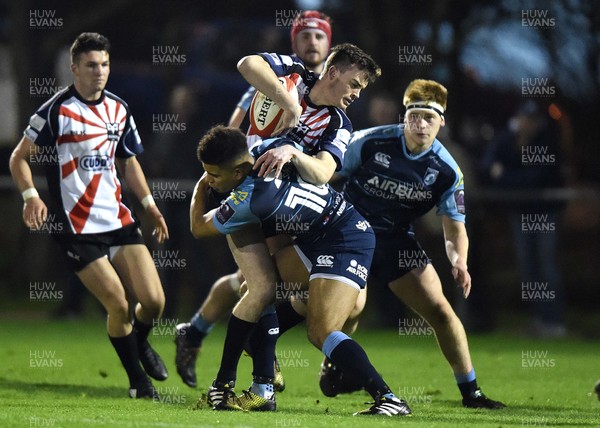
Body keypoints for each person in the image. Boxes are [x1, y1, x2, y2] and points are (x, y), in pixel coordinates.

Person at [273, 79, 506, 409]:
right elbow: (324, 172)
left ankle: (472, 393)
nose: (420, 124)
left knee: (440, 310)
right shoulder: (371, 142)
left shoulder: (447, 171)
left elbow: (455, 228)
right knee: (329, 304)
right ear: (404, 116)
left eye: (429, 117)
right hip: (347, 232)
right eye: (415, 116)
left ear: (442, 122)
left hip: (395, 240)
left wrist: (460, 261)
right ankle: (296, 352)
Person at [175, 39, 380, 388]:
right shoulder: (294, 74)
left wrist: (294, 152)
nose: (358, 94)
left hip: (283, 207)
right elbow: (246, 63)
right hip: (249, 192)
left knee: (327, 299)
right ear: (333, 72)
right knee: (261, 288)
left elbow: (324, 172)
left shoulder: (338, 123)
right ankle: (255, 381)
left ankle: (204, 337)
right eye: (356, 84)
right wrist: (290, 104)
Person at [190, 125, 411, 416]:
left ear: (238, 173)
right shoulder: (269, 149)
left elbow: (198, 228)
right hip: (321, 236)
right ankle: (262, 390)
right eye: (206, 174)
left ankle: (389, 399)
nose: (210, 179)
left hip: (345, 239)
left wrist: (198, 191)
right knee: (257, 292)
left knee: (320, 331)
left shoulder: (251, 199)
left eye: (214, 175)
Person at [9, 32, 169, 399]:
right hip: (76, 227)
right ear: (75, 68)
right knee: (118, 303)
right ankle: (137, 383)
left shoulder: (119, 108)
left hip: (119, 219)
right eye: (92, 65)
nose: (100, 72)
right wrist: (30, 197)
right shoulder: (55, 110)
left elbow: (129, 161)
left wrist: (149, 205)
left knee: (155, 301)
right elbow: (18, 157)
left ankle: (140, 345)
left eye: (105, 64)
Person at [480, 101, 566, 338]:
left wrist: (504, 176)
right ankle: (541, 320)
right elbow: (487, 167)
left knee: (547, 266)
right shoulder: (507, 140)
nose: (526, 124)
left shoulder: (547, 143)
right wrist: (503, 174)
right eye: (523, 118)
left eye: (531, 119)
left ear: (538, 123)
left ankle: (555, 322)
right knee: (528, 269)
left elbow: (535, 180)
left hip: (545, 213)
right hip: (520, 213)